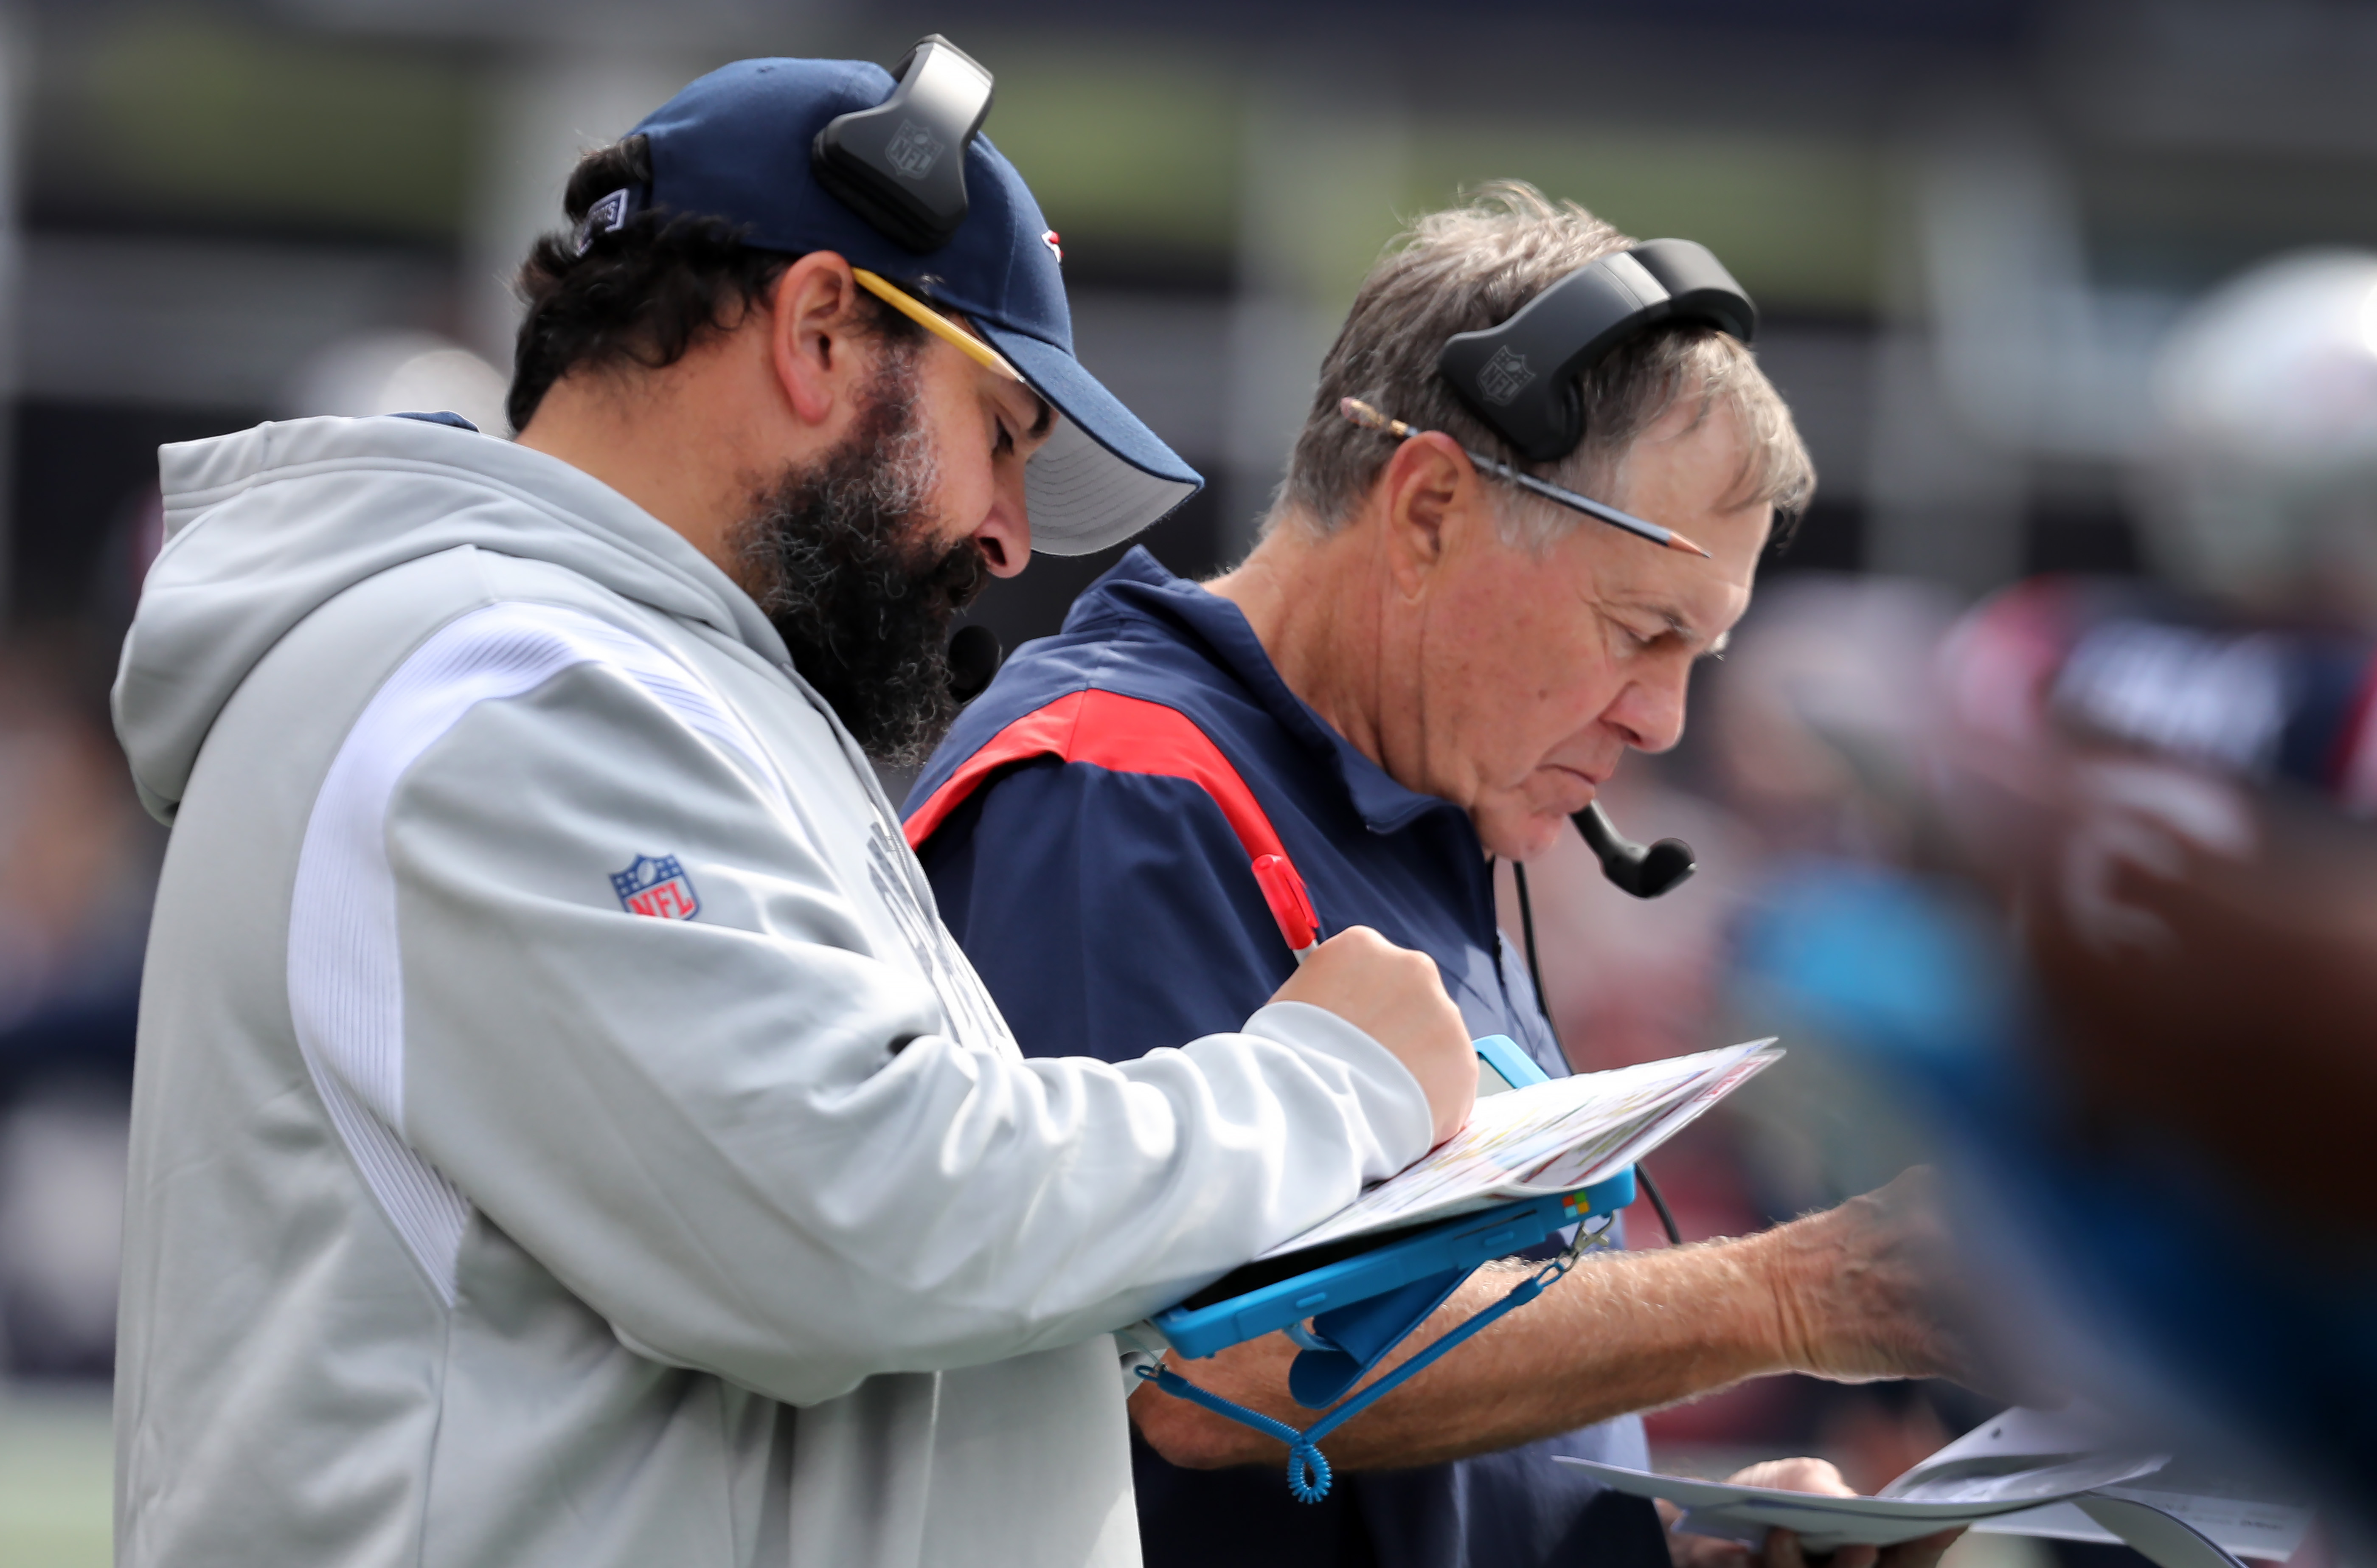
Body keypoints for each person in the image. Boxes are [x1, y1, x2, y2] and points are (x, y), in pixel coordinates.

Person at [107, 53, 1484, 1568]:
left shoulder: (630, 677)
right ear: (821, 331)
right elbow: (856, 1219)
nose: (1013, 538)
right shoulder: (500, 687)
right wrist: (1327, 1085)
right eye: (1004, 433)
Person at [909, 184, 1978, 1568]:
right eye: (1640, 632)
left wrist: (1653, 1548)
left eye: (1694, 660)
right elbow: (1207, 1371)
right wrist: (1790, 1298)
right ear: (1425, 511)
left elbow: (1409, 1441)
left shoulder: (1425, 813)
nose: (1662, 721)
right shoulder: (1115, 792)